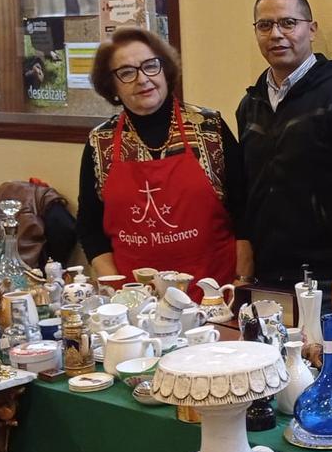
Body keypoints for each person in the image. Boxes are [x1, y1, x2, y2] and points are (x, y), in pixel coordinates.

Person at [77, 28, 249, 300]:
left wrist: (242, 280)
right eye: (127, 72)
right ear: (111, 86)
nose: (142, 79)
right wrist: (119, 292)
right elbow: (90, 228)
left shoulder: (209, 127)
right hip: (136, 303)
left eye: (150, 66)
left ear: (165, 69)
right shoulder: (100, 141)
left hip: (214, 296)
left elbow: (245, 211)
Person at [237, 0, 332, 307]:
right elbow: (245, 191)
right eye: (265, 25)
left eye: (288, 23)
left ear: (311, 30)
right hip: (268, 277)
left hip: (328, 278)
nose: (276, 34)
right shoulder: (250, 105)